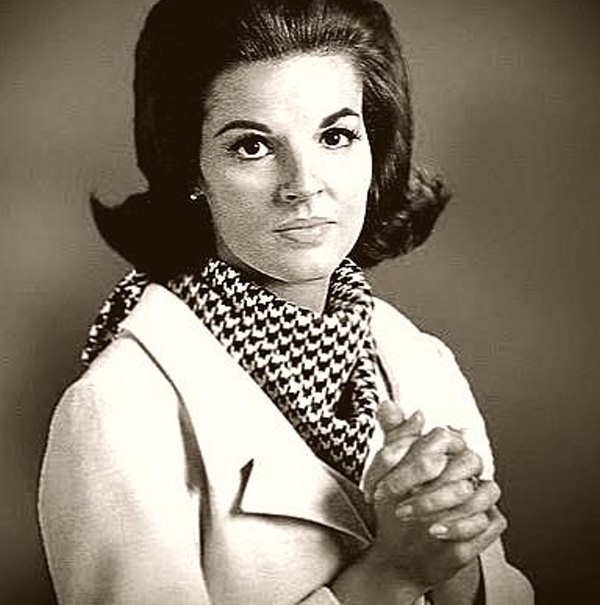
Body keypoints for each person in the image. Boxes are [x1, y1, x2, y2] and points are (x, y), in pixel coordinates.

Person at [38, 0, 533, 603]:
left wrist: (454, 560)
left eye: (336, 136)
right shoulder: (118, 408)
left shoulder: (420, 362)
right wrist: (392, 574)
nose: (304, 185)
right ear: (190, 168)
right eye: (252, 146)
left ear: (374, 149)